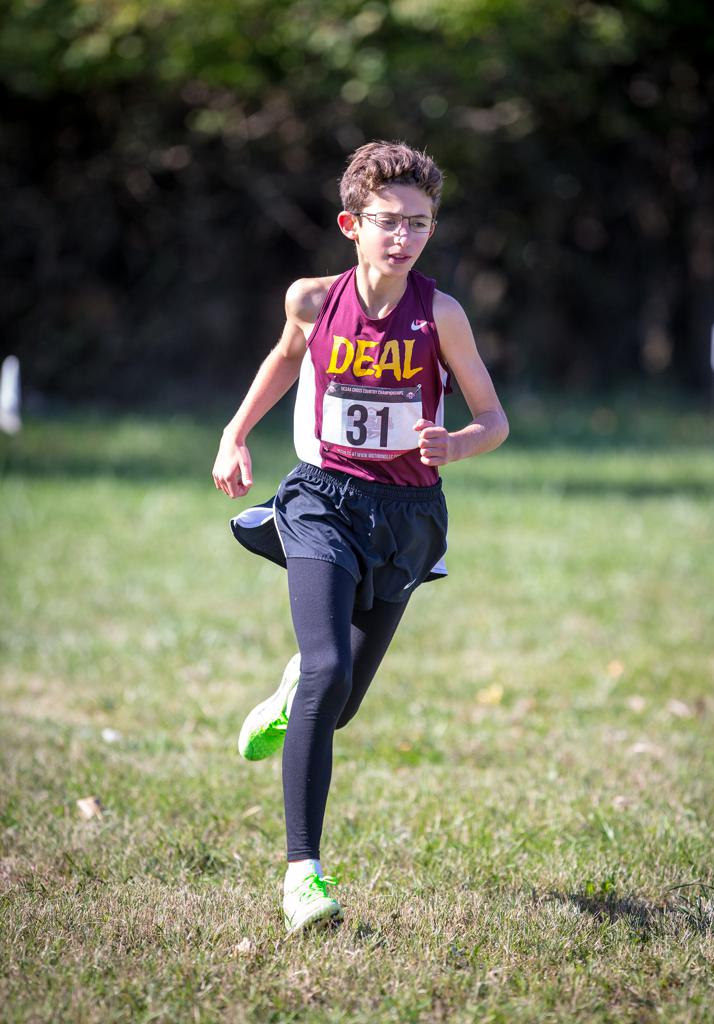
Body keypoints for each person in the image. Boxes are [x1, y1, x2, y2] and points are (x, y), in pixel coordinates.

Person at [211, 140, 509, 935]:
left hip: (408, 517)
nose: (403, 237)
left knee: (333, 703)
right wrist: (236, 433)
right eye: (387, 222)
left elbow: (494, 419)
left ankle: (292, 688)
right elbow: (282, 362)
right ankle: (302, 874)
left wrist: (458, 443)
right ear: (351, 223)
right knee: (328, 667)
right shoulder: (312, 301)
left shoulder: (441, 314)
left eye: (419, 224)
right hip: (321, 500)